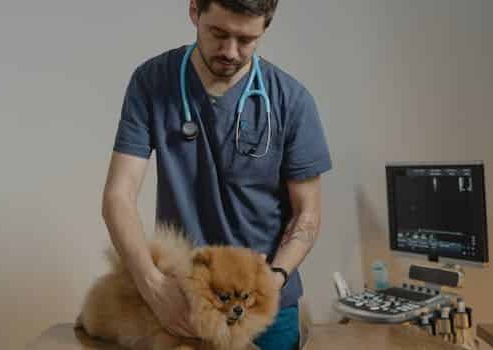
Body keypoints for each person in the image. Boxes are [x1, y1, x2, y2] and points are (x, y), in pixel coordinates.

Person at [100, 0, 332, 349]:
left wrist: (274, 279)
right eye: (218, 33)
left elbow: (307, 214)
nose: (230, 51)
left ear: (265, 27)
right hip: (185, 302)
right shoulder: (152, 82)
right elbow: (119, 195)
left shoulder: (292, 101)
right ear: (194, 10)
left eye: (247, 39)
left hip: (265, 308)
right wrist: (152, 283)